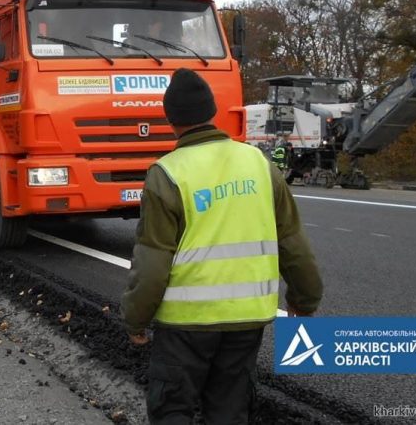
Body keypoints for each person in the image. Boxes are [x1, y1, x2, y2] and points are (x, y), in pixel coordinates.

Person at [122, 68, 323, 425]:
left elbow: (152, 261)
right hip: (247, 320)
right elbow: (292, 241)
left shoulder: (166, 173)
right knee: (230, 410)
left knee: (172, 408)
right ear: (211, 111)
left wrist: (135, 319)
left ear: (171, 119)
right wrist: (304, 299)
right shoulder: (258, 164)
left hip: (185, 324)